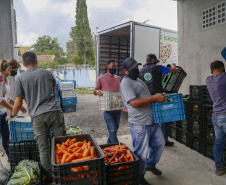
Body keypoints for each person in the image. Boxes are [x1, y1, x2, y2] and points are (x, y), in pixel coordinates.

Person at [6, 52, 66, 183]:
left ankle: (51, 177)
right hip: (55, 112)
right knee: (61, 143)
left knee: (43, 148)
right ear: (36, 60)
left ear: (24, 64)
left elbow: (18, 102)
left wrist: (12, 115)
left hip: (38, 116)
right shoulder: (47, 73)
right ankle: (64, 171)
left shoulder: (21, 79)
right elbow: (53, 90)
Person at [120, 57, 166, 185]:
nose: (136, 70)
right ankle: (139, 178)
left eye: (137, 67)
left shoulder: (138, 80)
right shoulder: (126, 84)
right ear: (125, 71)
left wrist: (156, 96)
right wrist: (154, 99)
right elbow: (134, 103)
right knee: (140, 153)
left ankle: (150, 164)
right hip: (140, 124)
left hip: (152, 122)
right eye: (133, 69)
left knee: (159, 144)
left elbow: (146, 96)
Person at [139, 54, 177, 146]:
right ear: (152, 60)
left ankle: (150, 141)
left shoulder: (141, 71)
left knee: (150, 120)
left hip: (147, 99)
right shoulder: (157, 67)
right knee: (163, 119)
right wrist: (173, 65)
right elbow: (174, 71)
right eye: (155, 60)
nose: (156, 62)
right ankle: (164, 140)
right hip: (158, 97)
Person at [0, 59, 26, 159]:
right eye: (16, 70)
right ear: (11, 68)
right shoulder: (0, 78)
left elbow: (7, 97)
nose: (16, 72)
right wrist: (12, 109)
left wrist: (18, 105)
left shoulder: (5, 78)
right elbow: (0, 99)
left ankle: (11, 159)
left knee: (6, 137)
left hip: (2, 113)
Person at [93, 60, 122, 144]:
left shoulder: (119, 78)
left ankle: (108, 146)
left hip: (118, 108)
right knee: (112, 130)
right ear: (107, 67)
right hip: (106, 109)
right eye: (113, 66)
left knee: (114, 130)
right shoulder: (101, 78)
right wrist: (97, 92)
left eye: (115, 67)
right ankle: (117, 147)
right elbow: (94, 91)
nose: (114, 68)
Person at [206, 60, 226, 176]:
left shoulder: (208, 80)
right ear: (222, 67)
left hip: (216, 116)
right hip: (225, 116)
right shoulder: (224, 78)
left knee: (218, 142)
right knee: (219, 142)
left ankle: (219, 168)